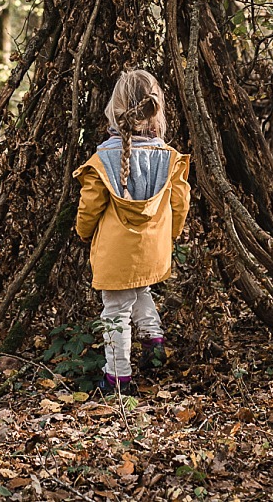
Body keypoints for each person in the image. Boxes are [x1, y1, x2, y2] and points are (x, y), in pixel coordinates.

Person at [74, 68, 191, 393]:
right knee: (141, 290)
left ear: (116, 108)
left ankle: (117, 379)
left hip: (116, 255)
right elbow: (180, 204)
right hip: (153, 251)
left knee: (115, 312)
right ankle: (154, 344)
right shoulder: (170, 158)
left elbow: (90, 206)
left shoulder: (103, 159)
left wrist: (83, 231)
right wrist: (171, 235)